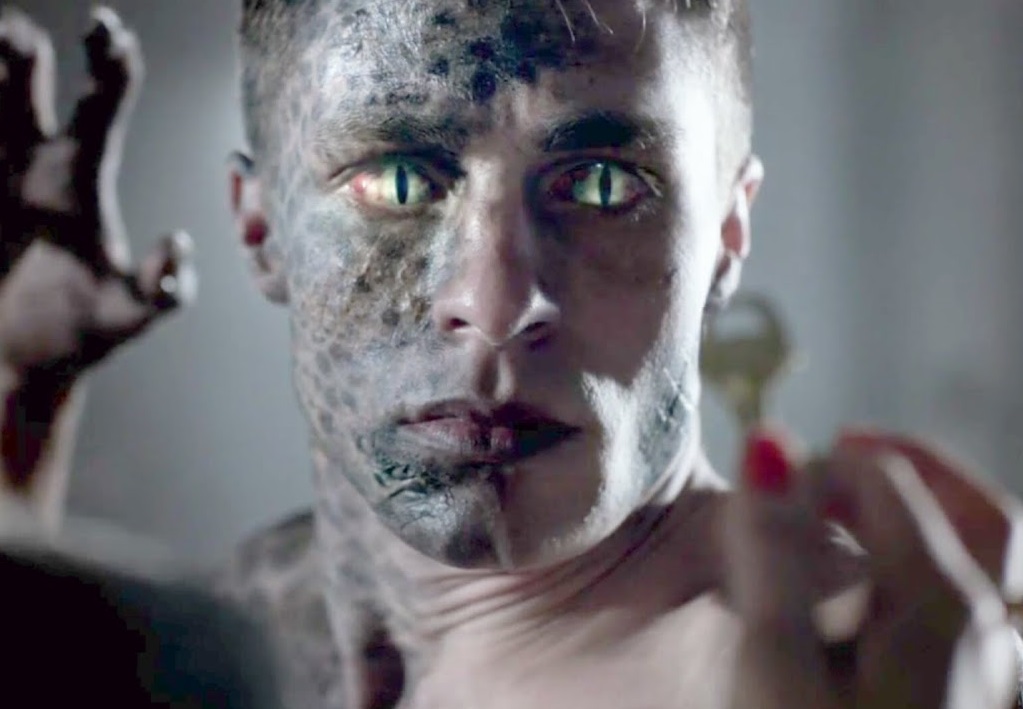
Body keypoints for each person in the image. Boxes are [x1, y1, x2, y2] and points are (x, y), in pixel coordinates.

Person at [1, 2, 1021, 707]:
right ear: (261, 228)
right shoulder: (213, 635)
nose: (494, 305)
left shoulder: (864, 671)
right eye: (398, 184)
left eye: (603, 184)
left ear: (726, 235)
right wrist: (15, 410)